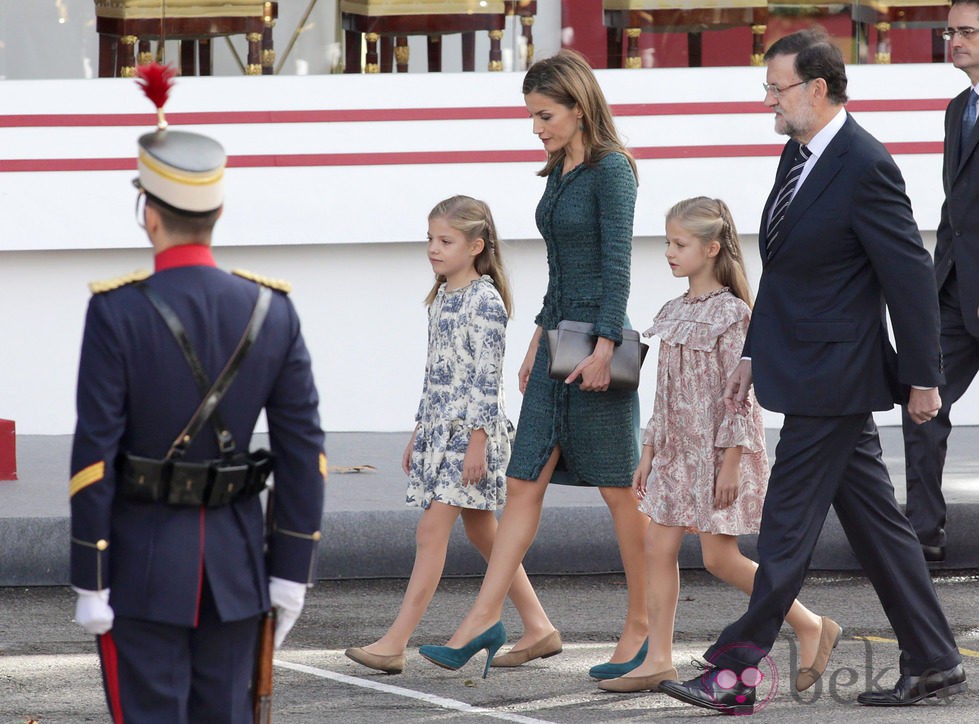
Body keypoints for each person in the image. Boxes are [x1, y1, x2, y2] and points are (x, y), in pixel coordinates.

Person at [660, 29, 966, 714]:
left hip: (837, 376)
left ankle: (734, 671)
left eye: (777, 88)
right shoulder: (795, 157)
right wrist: (750, 353)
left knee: (786, 529)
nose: (767, 101)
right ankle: (935, 661)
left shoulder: (863, 164)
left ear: (817, 89)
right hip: (806, 369)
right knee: (880, 531)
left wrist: (923, 377)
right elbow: (785, 273)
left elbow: (909, 277)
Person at [69, 63, 326, 722]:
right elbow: (303, 453)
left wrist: (91, 576)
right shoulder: (272, 310)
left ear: (148, 214)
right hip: (240, 574)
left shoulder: (116, 312)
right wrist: (290, 567)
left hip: (140, 574)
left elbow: (95, 455)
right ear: (217, 210)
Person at [419, 49, 649, 679]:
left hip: (594, 348)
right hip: (557, 344)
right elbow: (559, 269)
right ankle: (483, 620)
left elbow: (616, 265)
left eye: (545, 115)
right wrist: (534, 340)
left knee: (619, 493)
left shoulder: (614, 172)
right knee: (521, 483)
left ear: (580, 107)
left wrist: (604, 347)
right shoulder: (559, 170)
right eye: (532, 116)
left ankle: (640, 628)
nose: (537, 127)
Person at [598, 197, 835, 695]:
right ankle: (658, 658)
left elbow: (742, 398)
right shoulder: (671, 312)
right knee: (656, 544)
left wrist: (733, 461)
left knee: (719, 559)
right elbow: (662, 395)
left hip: (717, 456)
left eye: (679, 244)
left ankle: (812, 624)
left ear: (711, 248)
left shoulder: (734, 314)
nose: (669, 252)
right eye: (667, 242)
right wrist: (648, 454)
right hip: (675, 455)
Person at [345, 196, 559, 678]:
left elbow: (488, 377)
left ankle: (393, 643)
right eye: (430, 239)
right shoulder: (442, 295)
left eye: (445, 241)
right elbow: (435, 371)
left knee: (430, 530)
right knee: (486, 534)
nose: (433, 249)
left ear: (476, 246)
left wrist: (478, 442)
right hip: (440, 433)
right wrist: (419, 429)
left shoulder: (485, 300)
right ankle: (539, 625)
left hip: (471, 437)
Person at [902, 0, 979, 564]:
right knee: (923, 403)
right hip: (952, 291)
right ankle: (922, 531)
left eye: (968, 31)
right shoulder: (959, 110)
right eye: (950, 30)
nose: (955, 40)